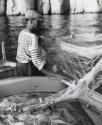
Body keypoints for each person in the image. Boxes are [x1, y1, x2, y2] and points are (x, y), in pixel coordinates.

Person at [16, 10, 46, 76]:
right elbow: (36, 62)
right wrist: (50, 74)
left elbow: (27, 44)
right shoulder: (33, 37)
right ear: (32, 21)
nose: (40, 25)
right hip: (27, 69)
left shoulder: (22, 32)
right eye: (38, 22)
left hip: (18, 66)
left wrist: (39, 38)